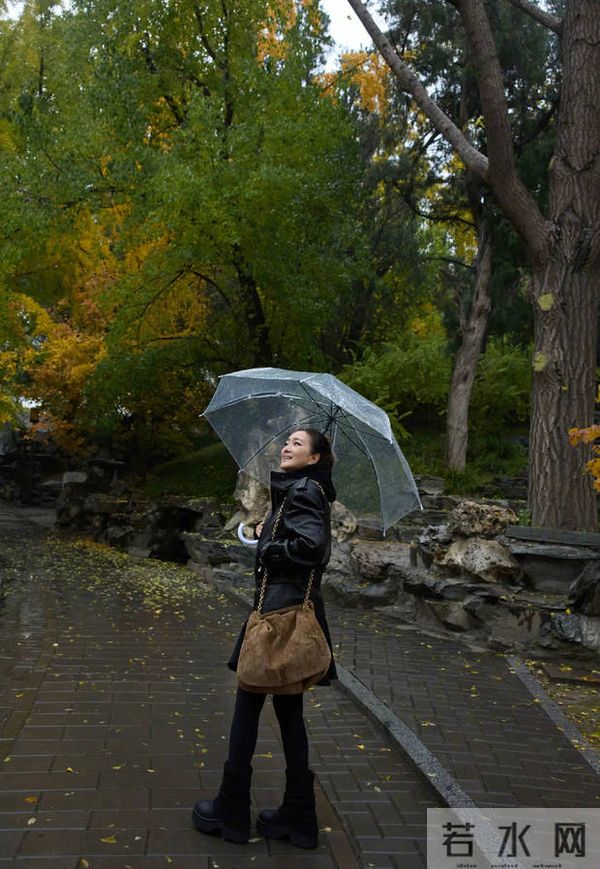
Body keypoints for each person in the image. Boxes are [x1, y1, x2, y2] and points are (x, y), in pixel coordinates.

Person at [192, 428, 337, 849]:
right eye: (286, 442)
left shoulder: (305, 490)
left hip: (278, 615)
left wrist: (270, 548)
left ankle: (231, 810)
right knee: (289, 712)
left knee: (247, 701)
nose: (286, 447)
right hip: (286, 610)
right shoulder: (304, 490)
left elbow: (311, 547)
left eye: (297, 443)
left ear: (315, 458)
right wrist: (262, 535)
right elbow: (299, 539)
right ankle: (298, 817)